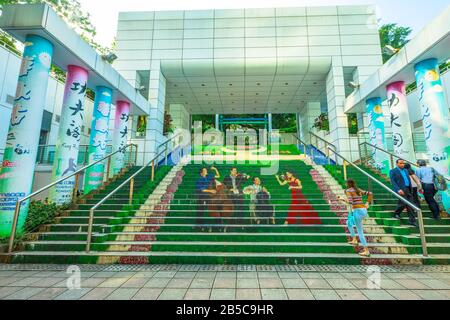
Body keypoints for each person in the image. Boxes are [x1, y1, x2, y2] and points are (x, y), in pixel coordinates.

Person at [338, 179, 373, 257]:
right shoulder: (358, 190)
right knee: (348, 223)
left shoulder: (348, 191)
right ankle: (354, 239)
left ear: (347, 184)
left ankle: (366, 250)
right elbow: (370, 193)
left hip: (357, 211)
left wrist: (342, 199)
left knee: (360, 231)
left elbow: (351, 202)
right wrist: (368, 203)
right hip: (363, 210)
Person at [389, 159, 418, 227]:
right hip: (401, 189)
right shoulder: (393, 171)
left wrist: (411, 189)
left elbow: (408, 180)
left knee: (410, 205)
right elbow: (393, 181)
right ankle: (397, 213)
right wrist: (398, 189)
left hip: (408, 189)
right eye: (401, 163)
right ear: (397, 164)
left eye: (403, 163)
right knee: (402, 203)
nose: (402, 164)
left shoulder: (405, 170)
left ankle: (412, 221)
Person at [195, 167, 220, 231]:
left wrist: (215, 169)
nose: (206, 171)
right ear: (201, 173)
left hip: (210, 196)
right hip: (203, 196)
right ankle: (199, 225)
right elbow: (202, 190)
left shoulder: (209, 177)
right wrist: (210, 191)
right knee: (200, 210)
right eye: (204, 170)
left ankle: (218, 225)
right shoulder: (199, 180)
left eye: (206, 170)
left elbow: (218, 176)